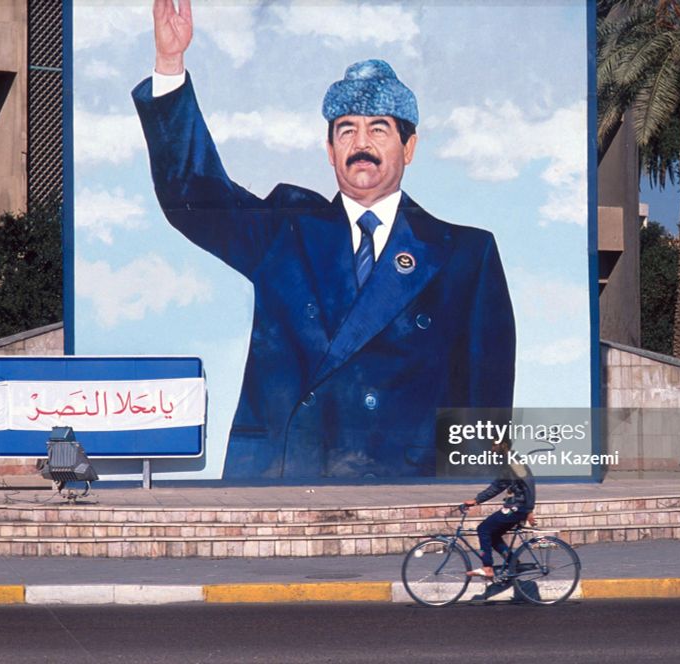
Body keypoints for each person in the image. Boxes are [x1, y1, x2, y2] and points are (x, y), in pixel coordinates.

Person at [133, 0, 516, 478]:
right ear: (330, 150)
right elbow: (194, 195)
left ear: (409, 147)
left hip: (401, 487)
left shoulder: (464, 255)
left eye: (379, 129)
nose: (361, 144)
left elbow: (484, 404)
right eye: (346, 130)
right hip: (285, 476)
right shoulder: (287, 231)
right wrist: (170, 65)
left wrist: (474, 494)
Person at [464, 438, 536, 580]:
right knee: (493, 534)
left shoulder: (514, 461)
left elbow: (529, 483)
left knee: (483, 529)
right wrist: (477, 500)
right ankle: (512, 563)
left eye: (494, 445)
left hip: (518, 507)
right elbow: (498, 485)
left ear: (504, 445)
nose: (492, 449)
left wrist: (529, 510)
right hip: (516, 506)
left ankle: (488, 568)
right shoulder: (508, 461)